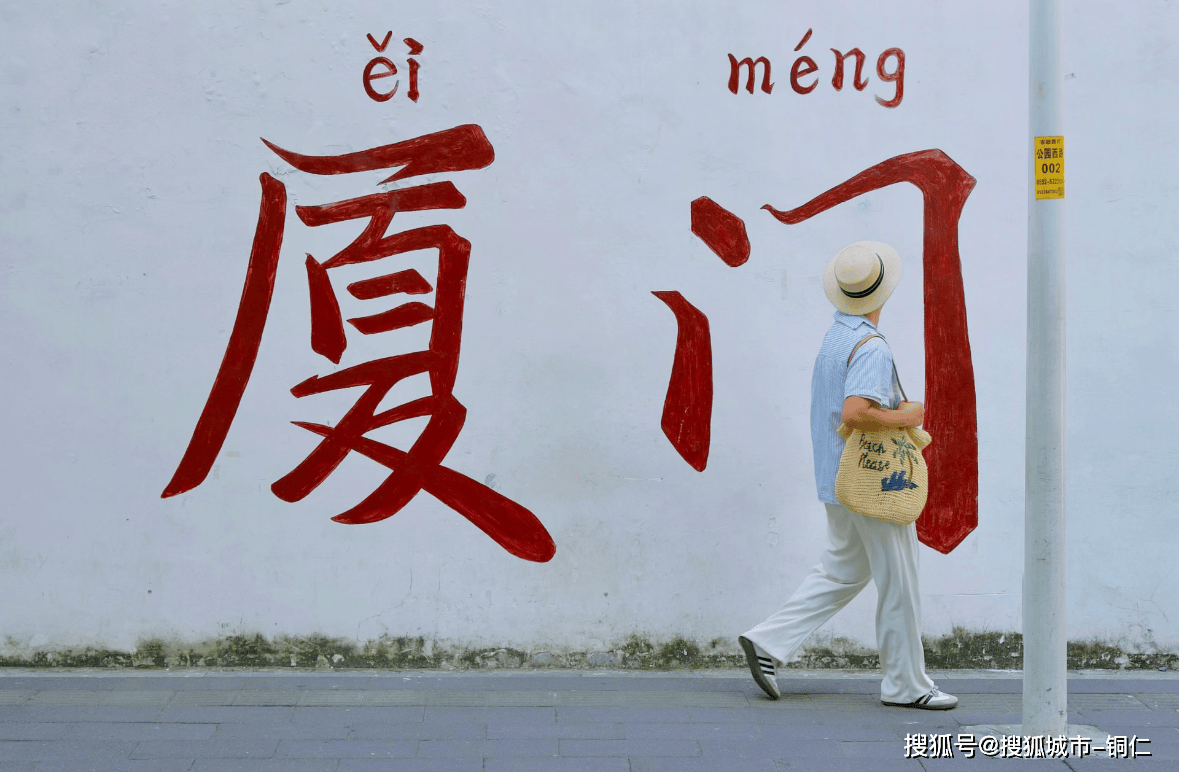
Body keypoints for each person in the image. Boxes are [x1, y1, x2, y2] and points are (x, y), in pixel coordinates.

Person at [737, 241, 957, 710]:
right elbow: (857, 411)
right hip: (874, 481)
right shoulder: (871, 346)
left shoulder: (836, 335)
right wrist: (909, 416)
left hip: (837, 477)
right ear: (883, 294)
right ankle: (906, 685)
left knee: (845, 568)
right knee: (899, 580)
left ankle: (768, 641)